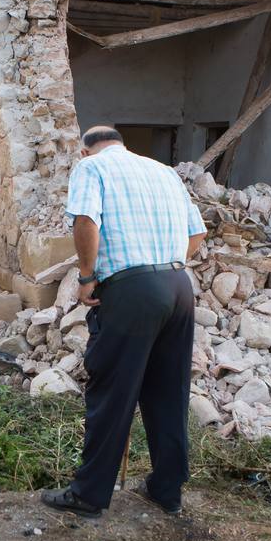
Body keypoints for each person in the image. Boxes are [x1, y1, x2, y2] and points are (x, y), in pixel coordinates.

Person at [41, 126, 206, 520]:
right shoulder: (162, 171)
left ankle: (89, 494)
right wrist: (164, 263)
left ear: (85, 152)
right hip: (178, 286)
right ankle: (167, 490)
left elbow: (85, 220)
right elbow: (197, 232)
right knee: (169, 391)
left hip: (132, 289)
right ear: (123, 144)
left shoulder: (92, 168)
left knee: (112, 392)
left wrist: (86, 276)